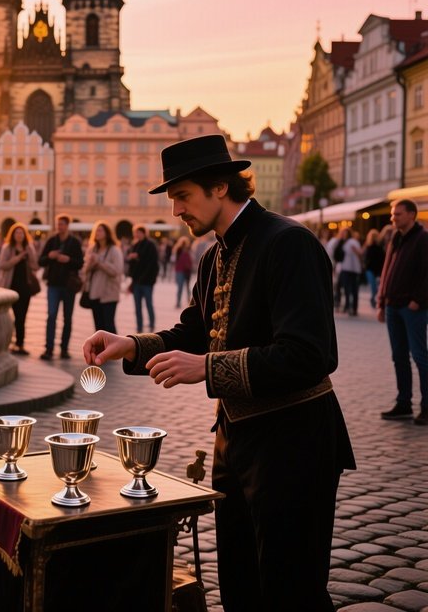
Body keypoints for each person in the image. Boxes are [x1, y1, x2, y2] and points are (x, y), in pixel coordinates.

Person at [82, 134, 355, 612]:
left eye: (183, 196)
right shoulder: (214, 255)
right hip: (234, 440)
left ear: (220, 188)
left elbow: (309, 355)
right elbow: (194, 330)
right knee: (240, 581)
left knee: (291, 589)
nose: (175, 211)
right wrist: (130, 344)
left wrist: (207, 369)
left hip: (295, 440)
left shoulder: (288, 243)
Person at [376, 199, 428, 425]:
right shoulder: (396, 238)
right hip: (392, 306)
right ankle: (403, 403)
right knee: (399, 357)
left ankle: (427, 407)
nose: (393, 218)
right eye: (392, 214)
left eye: (397, 214)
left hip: (412, 307)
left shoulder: (423, 239)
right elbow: (387, 271)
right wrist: (382, 301)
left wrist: (418, 300)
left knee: (420, 357)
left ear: (411, 215)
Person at [38, 214, 84, 360]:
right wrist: (50, 256)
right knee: (51, 316)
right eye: (58, 224)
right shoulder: (52, 241)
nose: (59, 227)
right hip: (53, 285)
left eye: (62, 224)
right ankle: (49, 349)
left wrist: (68, 259)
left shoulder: (74, 242)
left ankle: (64, 349)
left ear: (67, 226)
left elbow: (80, 263)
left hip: (69, 286)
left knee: (67, 318)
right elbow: (41, 261)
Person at [0, 223, 39, 355]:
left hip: (25, 286)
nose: (19, 235)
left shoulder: (28, 248)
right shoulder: (8, 248)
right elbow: (1, 265)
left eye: (21, 233)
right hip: (11, 286)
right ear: (13, 235)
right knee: (15, 315)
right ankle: (12, 342)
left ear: (24, 235)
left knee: (22, 316)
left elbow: (35, 266)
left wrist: (29, 256)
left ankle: (20, 344)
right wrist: (17, 258)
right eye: (17, 233)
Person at [82, 221, 124, 334]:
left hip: (109, 294)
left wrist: (100, 262)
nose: (97, 233)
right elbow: (84, 271)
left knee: (109, 327)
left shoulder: (114, 250)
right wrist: (90, 264)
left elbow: (117, 271)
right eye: (96, 230)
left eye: (100, 230)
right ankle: (101, 351)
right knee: (98, 328)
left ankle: (115, 351)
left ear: (107, 233)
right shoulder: (92, 249)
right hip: (94, 293)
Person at [126, 225, 159, 332]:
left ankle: (152, 323)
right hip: (136, 281)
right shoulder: (135, 245)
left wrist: (138, 256)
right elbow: (130, 263)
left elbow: (152, 263)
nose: (136, 235)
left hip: (147, 282)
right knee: (137, 306)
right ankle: (139, 326)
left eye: (139, 232)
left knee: (149, 304)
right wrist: (131, 258)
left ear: (144, 233)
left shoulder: (150, 245)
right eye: (135, 232)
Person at [338, 229, 363, 316]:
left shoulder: (352, 242)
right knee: (347, 288)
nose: (343, 235)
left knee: (353, 289)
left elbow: (360, 253)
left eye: (345, 233)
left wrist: (356, 251)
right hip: (346, 268)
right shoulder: (344, 242)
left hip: (353, 269)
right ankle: (348, 307)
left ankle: (353, 308)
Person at [363, 229, 385, 309]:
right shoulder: (368, 247)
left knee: (378, 287)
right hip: (370, 269)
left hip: (378, 270)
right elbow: (365, 258)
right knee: (373, 287)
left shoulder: (380, 247)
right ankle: (373, 299)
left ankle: (374, 299)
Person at [172, 236, 193, 308]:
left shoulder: (189, 250)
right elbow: (175, 260)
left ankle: (190, 302)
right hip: (180, 270)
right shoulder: (178, 250)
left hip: (186, 271)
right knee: (180, 287)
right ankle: (178, 302)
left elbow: (190, 260)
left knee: (187, 287)